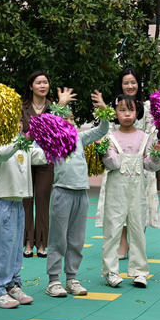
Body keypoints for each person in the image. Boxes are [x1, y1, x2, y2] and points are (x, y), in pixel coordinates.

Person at [45, 91, 110, 297]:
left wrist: (103, 108)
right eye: (64, 118)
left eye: (71, 118)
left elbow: (102, 129)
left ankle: (71, 278)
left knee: (76, 239)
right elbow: (50, 124)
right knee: (58, 239)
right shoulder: (54, 139)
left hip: (81, 194)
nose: (69, 121)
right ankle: (54, 281)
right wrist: (60, 105)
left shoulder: (80, 138)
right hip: (62, 193)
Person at [96, 69, 160, 260]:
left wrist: (151, 151)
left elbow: (152, 131)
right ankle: (122, 244)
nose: (130, 86)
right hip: (119, 161)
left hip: (141, 161)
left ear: (138, 84)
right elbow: (108, 130)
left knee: (141, 205)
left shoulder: (148, 107)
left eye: (133, 82)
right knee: (119, 205)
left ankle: (138, 244)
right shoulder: (115, 106)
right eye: (126, 83)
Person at [101, 94, 160, 288]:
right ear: (115, 113)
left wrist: (156, 154)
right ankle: (110, 271)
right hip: (115, 191)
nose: (126, 114)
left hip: (137, 191)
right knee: (112, 229)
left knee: (137, 228)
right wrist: (104, 151)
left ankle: (139, 271)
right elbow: (112, 164)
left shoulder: (145, 137)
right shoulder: (110, 137)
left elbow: (150, 165)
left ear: (137, 112)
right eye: (122, 110)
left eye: (130, 110)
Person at [0, 128, 47, 308]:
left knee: (15, 248)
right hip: (2, 203)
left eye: (20, 120)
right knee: (2, 249)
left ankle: (12, 284)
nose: (18, 124)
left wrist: (57, 142)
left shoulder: (24, 144)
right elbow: (2, 154)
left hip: (18, 203)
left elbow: (41, 156)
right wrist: (24, 140)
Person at [21, 71, 75, 258]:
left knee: (43, 201)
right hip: (25, 160)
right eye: (39, 82)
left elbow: (61, 130)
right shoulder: (22, 107)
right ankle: (28, 242)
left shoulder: (54, 107)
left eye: (45, 82)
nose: (43, 86)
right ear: (31, 86)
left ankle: (42, 243)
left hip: (46, 161)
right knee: (26, 201)